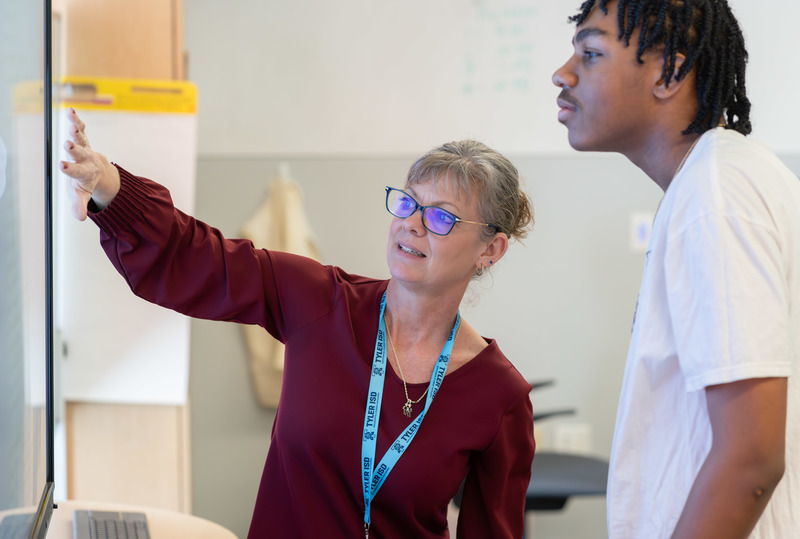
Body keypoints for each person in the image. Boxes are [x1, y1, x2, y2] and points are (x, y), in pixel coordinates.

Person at [59, 108, 535, 539]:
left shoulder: (499, 395)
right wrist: (107, 183)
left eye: (441, 217)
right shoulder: (321, 302)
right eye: (409, 203)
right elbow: (196, 257)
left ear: (489, 250)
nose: (412, 223)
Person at [552, 0, 799, 537]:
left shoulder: (717, 192)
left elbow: (752, 459)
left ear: (668, 72)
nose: (562, 74)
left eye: (590, 54)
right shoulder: (719, 180)